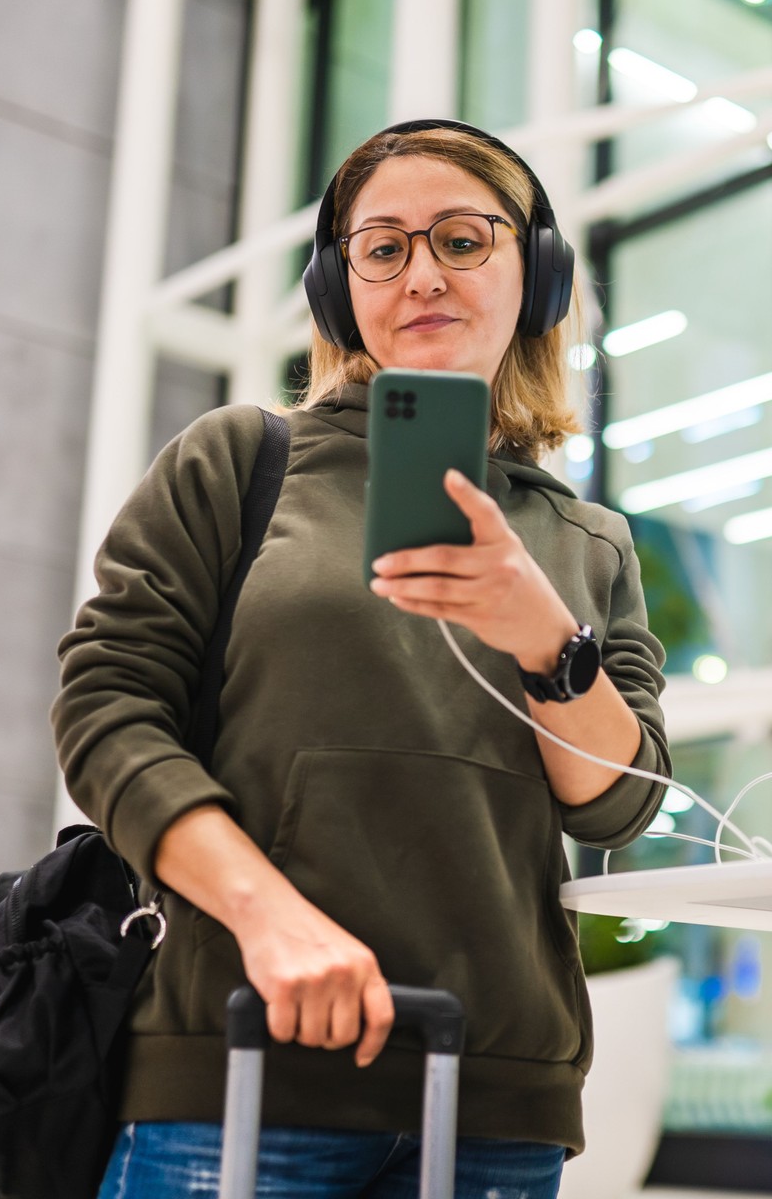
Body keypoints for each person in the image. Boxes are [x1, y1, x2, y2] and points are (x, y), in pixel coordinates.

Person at [53, 120, 672, 1199]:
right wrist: (266, 913)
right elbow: (106, 710)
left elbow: (616, 805)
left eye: (463, 239)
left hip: (495, 1098)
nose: (421, 272)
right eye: (382, 247)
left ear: (540, 271)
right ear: (342, 290)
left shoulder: (589, 541)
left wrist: (544, 637)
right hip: (243, 1061)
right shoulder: (236, 462)